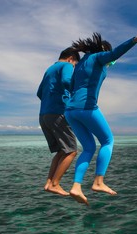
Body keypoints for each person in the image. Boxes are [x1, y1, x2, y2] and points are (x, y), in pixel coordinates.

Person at [65, 30, 137, 205]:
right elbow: (114, 54)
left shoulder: (81, 63)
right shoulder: (98, 58)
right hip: (86, 107)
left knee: (89, 147)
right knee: (108, 141)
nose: (110, 63)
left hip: (70, 111)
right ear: (103, 51)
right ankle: (98, 182)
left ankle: (76, 186)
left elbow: (71, 87)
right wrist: (135, 40)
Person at [37, 47, 80, 196]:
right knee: (72, 151)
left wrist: (51, 100)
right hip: (58, 113)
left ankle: (49, 183)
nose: (73, 67)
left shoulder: (49, 69)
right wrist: (75, 93)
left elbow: (39, 92)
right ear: (70, 59)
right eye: (75, 65)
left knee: (62, 150)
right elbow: (67, 81)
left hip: (44, 115)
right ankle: (55, 183)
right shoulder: (67, 65)